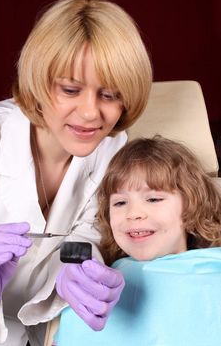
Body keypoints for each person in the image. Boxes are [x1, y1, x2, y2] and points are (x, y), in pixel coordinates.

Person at [0, 0, 152, 345]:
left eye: (110, 94)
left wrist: (79, 274)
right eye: (70, 89)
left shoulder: (113, 147)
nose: (91, 113)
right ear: (38, 82)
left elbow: (89, 234)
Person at [54, 136, 221, 346]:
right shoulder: (98, 285)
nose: (133, 213)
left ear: (191, 204)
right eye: (120, 202)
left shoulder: (214, 275)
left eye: (153, 199)